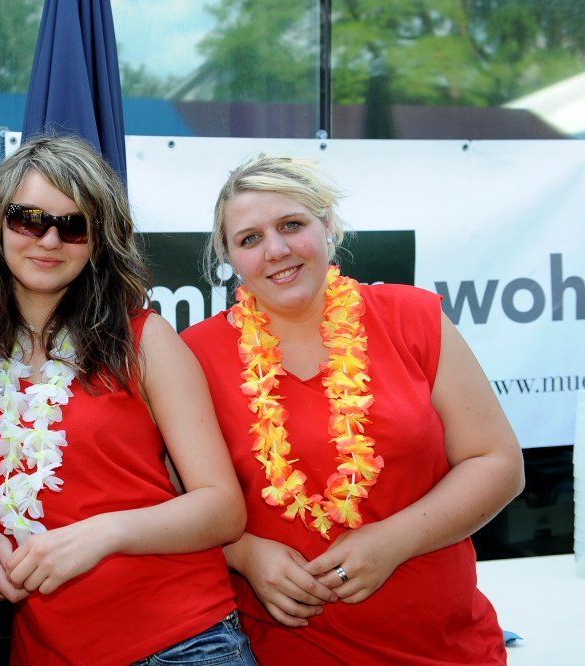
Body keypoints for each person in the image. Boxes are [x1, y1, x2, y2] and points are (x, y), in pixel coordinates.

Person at [181, 155, 525, 665]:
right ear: (228, 257)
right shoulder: (194, 354)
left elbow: (498, 463)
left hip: (445, 645)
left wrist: (392, 541)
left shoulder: (413, 317)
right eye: (250, 239)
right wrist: (244, 554)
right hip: (281, 650)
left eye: (291, 225)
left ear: (327, 224)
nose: (276, 250)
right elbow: (169, 498)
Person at [0, 135, 255, 665]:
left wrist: (103, 534)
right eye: (29, 220)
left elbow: (222, 508)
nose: (50, 240)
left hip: (185, 643)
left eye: (73, 226)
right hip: (47, 652)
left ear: (98, 241)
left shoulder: (143, 339)